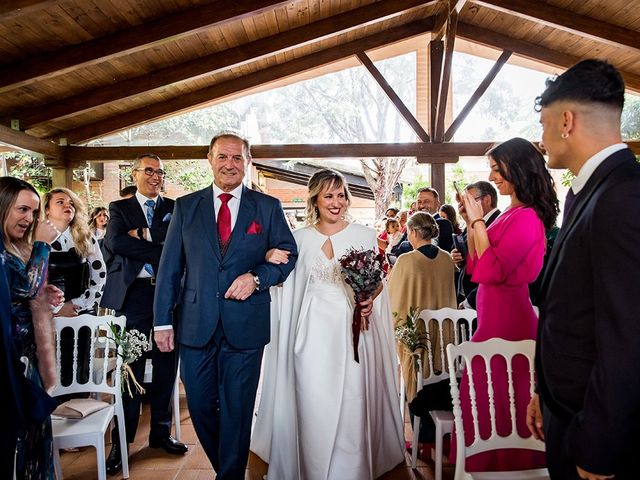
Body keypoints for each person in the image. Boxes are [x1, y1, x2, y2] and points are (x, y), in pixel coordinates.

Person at [154, 132, 297, 480]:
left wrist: (257, 278)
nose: (230, 164)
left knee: (237, 408)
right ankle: (228, 469)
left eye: (237, 158)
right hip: (194, 323)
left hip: (245, 327)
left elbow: (287, 256)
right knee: (201, 406)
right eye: (223, 157)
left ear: (247, 163)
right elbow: (169, 267)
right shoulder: (186, 207)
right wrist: (162, 321)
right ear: (210, 160)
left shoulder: (267, 207)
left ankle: (229, 476)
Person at [526, 59, 640, 480]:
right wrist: (547, 393)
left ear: (566, 121)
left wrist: (601, 443)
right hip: (568, 409)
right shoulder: (591, 190)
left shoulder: (622, 197)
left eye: (543, 123)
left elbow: (628, 333)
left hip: (596, 429)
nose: (541, 138)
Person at [251, 168, 404, 480]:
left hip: (352, 332)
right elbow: (284, 284)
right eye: (328, 196)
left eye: (341, 195)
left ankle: (353, 467)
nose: (336, 202)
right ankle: (309, 464)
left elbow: (376, 283)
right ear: (316, 200)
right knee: (311, 397)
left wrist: (369, 298)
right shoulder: (298, 240)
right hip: (310, 336)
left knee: (353, 396)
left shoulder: (363, 235)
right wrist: (268, 255)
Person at [454, 137, 559, 472]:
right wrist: (473, 221)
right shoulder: (510, 214)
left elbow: (493, 268)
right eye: (492, 169)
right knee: (486, 405)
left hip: (510, 324)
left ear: (519, 169)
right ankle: (485, 467)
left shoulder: (527, 217)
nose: (493, 176)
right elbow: (475, 264)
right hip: (491, 320)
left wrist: (478, 222)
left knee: (505, 408)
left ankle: (515, 469)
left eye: (498, 169)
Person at [101, 154, 184, 475]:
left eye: (160, 172)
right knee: (129, 375)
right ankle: (121, 443)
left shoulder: (175, 208)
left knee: (166, 368)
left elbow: (182, 246)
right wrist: (160, 243)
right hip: (132, 298)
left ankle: (160, 435)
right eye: (148, 170)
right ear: (134, 174)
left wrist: (144, 236)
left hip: (168, 297)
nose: (155, 176)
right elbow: (115, 242)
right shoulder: (119, 209)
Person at [0, 177, 61, 480]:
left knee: (37, 441)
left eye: (34, 213)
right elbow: (24, 287)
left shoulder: (13, 248)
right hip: (15, 364)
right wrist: (42, 244)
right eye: (22, 210)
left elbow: (22, 292)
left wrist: (44, 295)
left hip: (29, 360)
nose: (29, 219)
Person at [387, 212, 457, 402]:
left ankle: (416, 405)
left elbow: (392, 297)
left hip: (416, 334)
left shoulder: (406, 260)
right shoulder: (447, 259)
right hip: (444, 332)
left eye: (408, 231)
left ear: (415, 233)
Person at [43, 188, 106, 390]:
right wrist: (56, 310)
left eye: (70, 202)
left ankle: (80, 409)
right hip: (46, 316)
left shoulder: (85, 237)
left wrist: (78, 304)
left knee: (79, 370)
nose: (67, 205)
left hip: (81, 312)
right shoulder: (35, 238)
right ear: (46, 210)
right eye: (60, 202)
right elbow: (30, 282)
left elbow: (100, 277)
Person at [451, 181, 500, 308]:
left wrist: (470, 301)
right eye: (463, 202)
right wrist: (460, 259)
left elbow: (488, 264)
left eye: (470, 201)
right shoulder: (474, 223)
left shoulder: (497, 223)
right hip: (470, 292)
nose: (465, 206)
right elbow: (473, 258)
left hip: (485, 298)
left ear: (487, 200)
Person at [394, 187, 454, 255]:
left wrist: (404, 246)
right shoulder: (413, 223)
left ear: (437, 204)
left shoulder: (443, 224)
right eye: (419, 202)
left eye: (426, 201)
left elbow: (435, 253)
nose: (422, 205)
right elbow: (395, 250)